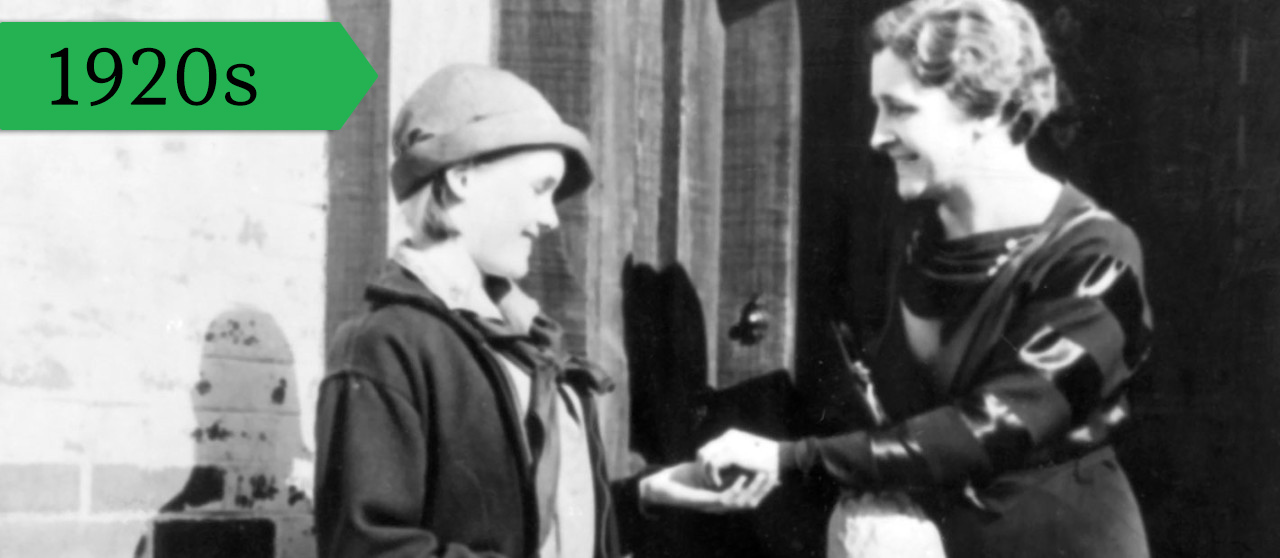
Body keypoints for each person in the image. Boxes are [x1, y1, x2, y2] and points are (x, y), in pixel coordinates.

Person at [697, 1, 1154, 557]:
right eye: (876, 109)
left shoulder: (1096, 254)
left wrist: (793, 459)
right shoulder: (917, 235)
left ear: (986, 109)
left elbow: (993, 429)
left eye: (900, 110)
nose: (877, 136)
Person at [314, 64, 773, 558]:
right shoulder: (386, 346)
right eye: (540, 188)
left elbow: (537, 528)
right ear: (463, 178)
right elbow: (368, 548)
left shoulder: (522, 344)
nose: (551, 217)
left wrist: (643, 494)